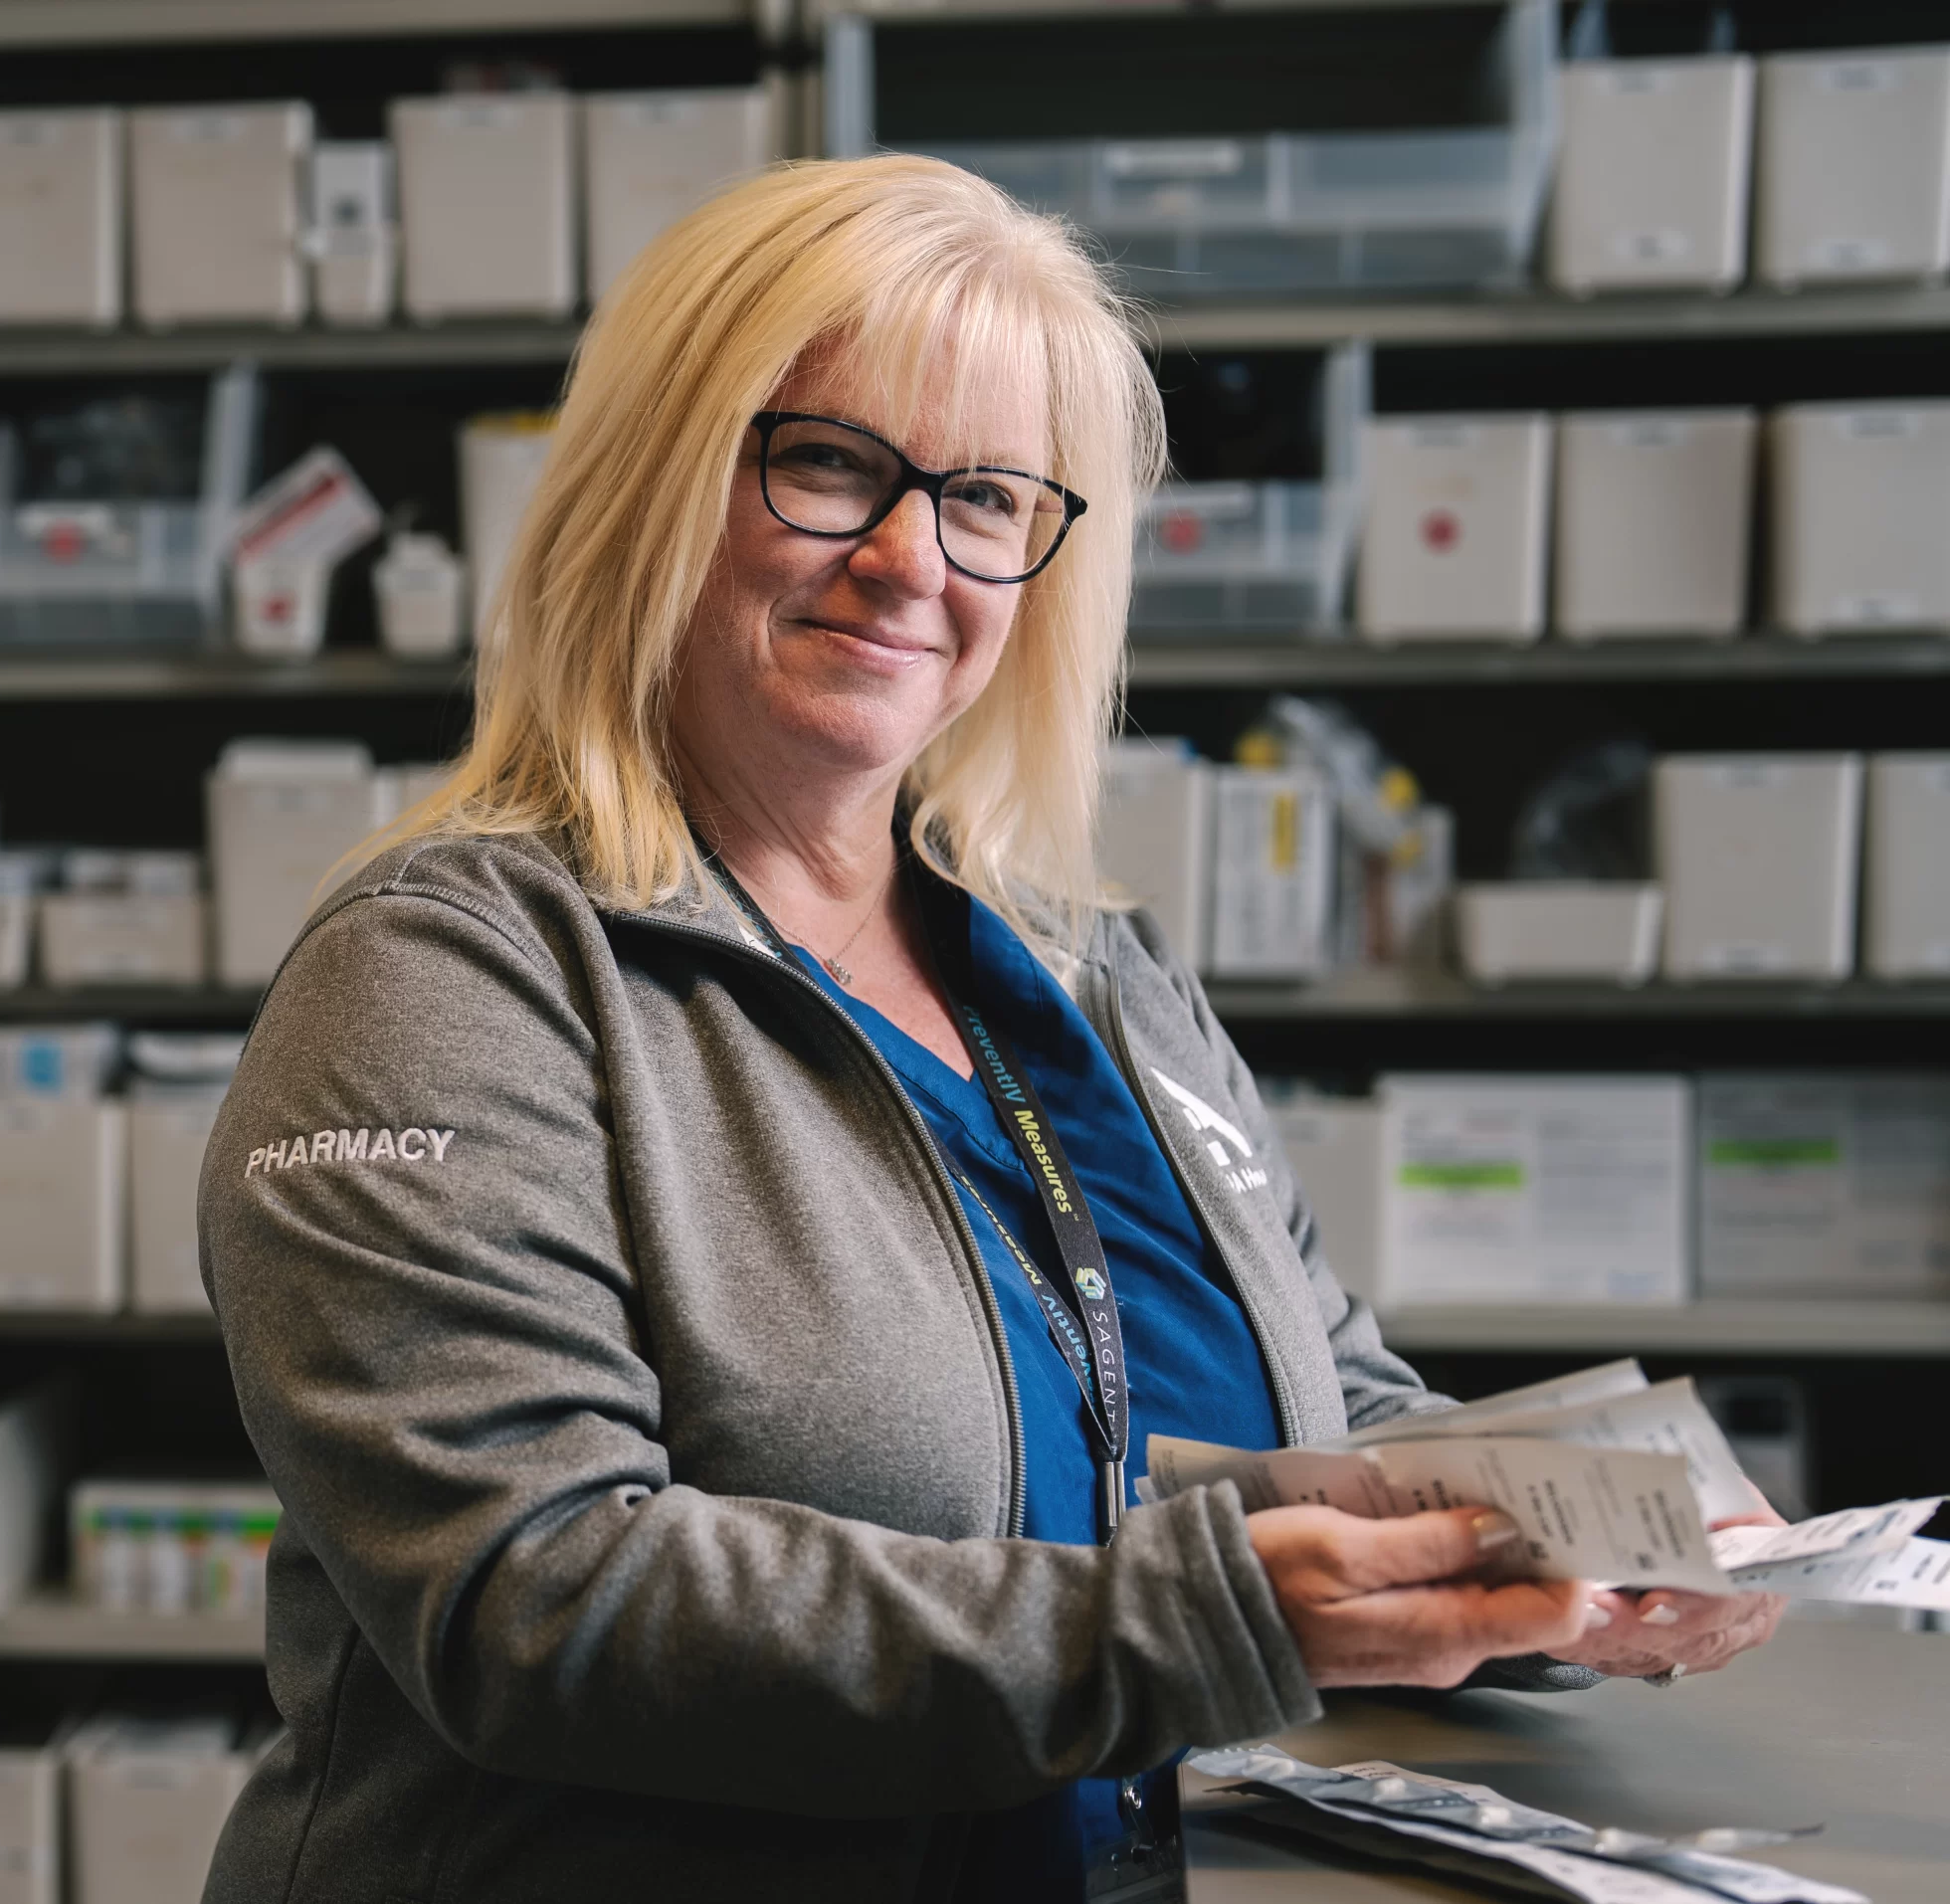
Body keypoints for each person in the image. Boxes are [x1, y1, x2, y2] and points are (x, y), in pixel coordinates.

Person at [196, 155, 1781, 1904]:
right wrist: (1207, 1622)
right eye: (827, 463)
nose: (905, 560)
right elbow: (536, 1595)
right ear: (655, 481)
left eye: (989, 500)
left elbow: (1333, 1413)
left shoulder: (1093, 974)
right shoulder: (452, 977)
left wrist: (1574, 1555)